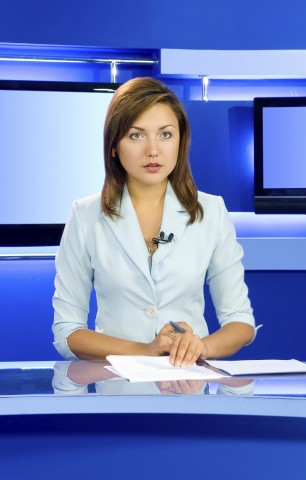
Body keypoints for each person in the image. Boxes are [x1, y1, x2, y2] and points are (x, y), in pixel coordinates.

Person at [52, 77, 255, 367]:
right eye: (136, 135)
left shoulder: (211, 211)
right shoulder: (85, 216)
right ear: (113, 146)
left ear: (180, 140)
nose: (153, 150)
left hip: (190, 387)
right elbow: (67, 332)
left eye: (165, 134)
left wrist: (200, 348)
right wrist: (145, 350)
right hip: (118, 389)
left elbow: (240, 322)